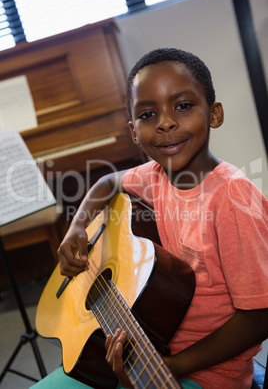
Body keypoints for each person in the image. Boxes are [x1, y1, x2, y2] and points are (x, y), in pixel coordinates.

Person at [31, 48, 268, 389]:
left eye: (183, 106)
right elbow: (107, 182)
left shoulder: (233, 200)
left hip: (208, 375)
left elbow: (260, 316)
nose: (166, 122)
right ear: (133, 132)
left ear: (214, 114)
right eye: (147, 114)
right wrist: (77, 227)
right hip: (150, 341)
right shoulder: (155, 175)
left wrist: (173, 365)